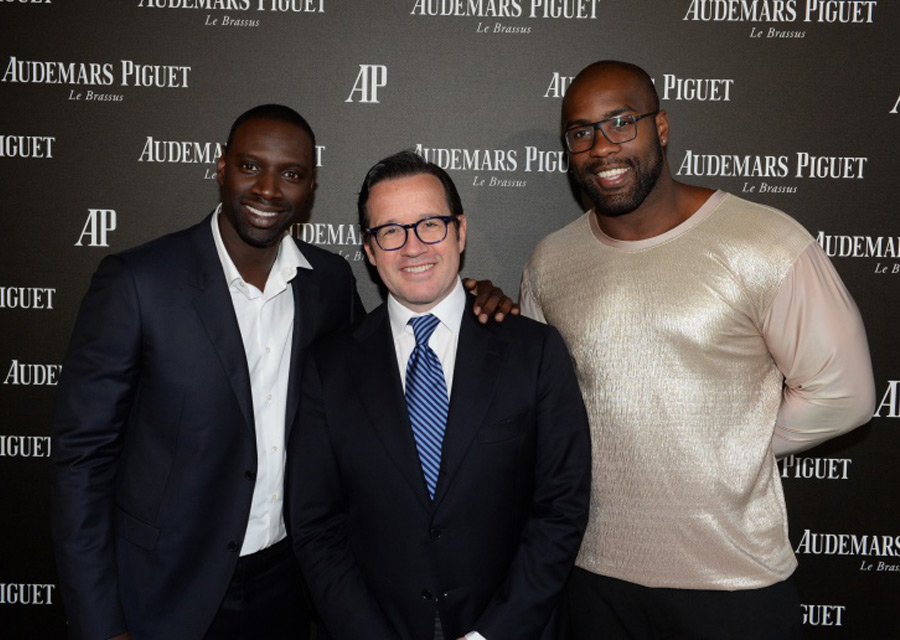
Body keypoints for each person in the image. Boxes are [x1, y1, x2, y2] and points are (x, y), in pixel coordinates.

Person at [50, 105, 513, 640]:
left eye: (291, 174)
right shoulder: (138, 282)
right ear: (221, 167)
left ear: (310, 188)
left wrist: (472, 299)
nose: (268, 189)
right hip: (161, 592)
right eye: (251, 166)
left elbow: (382, 368)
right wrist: (101, 624)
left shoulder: (330, 283)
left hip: (292, 590)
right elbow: (81, 462)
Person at [519, 61, 876, 639]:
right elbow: (548, 404)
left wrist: (732, 445)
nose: (601, 147)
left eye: (621, 122)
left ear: (661, 126)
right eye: (580, 132)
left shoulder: (764, 240)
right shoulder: (550, 261)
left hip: (732, 585)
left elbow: (847, 394)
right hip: (589, 578)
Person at [288, 150, 591, 640]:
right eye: (390, 231)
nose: (413, 247)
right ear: (368, 249)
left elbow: (561, 507)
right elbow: (315, 525)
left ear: (460, 231)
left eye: (430, 224)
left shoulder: (533, 352)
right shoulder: (330, 367)